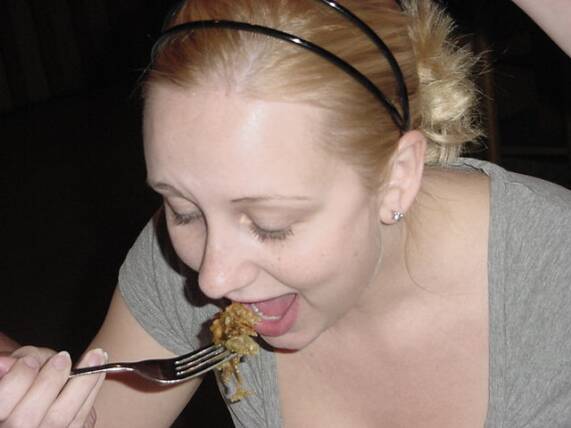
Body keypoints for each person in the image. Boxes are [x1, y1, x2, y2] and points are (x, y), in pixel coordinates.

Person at [1, 0, 570, 426]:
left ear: (397, 176)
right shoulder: (178, 259)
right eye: (181, 209)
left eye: (270, 225)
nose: (212, 279)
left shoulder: (553, 280)